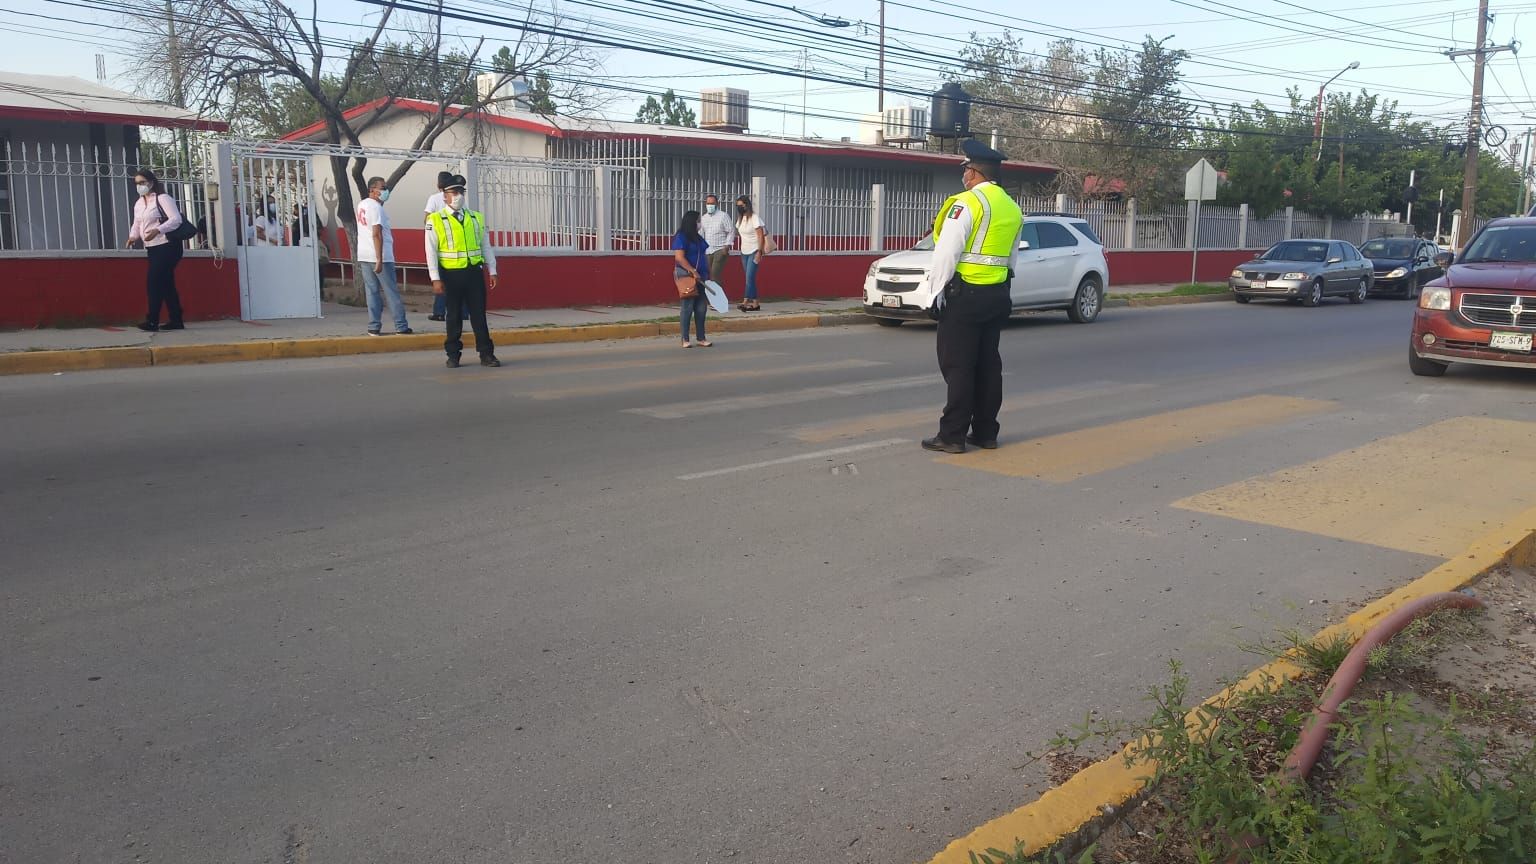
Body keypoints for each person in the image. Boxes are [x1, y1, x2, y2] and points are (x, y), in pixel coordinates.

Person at [921, 139, 1023, 454]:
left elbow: (947, 254)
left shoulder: (967, 203)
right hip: (997, 295)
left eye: (966, 168)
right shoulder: (1011, 206)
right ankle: (985, 433)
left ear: (974, 172)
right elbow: (1011, 257)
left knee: (958, 367)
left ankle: (952, 435)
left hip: (965, 296)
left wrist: (931, 295)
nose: (964, 174)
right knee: (988, 365)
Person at [425, 175, 500, 368]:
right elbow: (430, 251)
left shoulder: (476, 217)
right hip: (451, 274)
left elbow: (486, 246)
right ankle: (453, 354)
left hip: (474, 272)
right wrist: (435, 278)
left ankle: (486, 354)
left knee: (478, 315)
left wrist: (492, 269)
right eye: (453, 192)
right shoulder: (436, 219)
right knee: (453, 316)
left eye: (460, 192)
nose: (458, 196)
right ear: (445, 196)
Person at [125, 168, 185, 332]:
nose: (139, 186)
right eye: (137, 183)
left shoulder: (163, 198)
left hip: (167, 246)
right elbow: (137, 223)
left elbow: (176, 219)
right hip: (152, 247)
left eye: (142, 182)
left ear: (151, 183)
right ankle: (176, 319)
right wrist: (132, 237)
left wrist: (158, 230)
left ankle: (152, 321)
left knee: (154, 282)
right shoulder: (139, 203)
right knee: (166, 283)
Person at [356, 176, 412, 336]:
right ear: (372, 189)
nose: (385, 190)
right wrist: (379, 259)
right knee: (391, 291)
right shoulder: (376, 208)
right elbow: (376, 234)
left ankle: (374, 326)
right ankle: (401, 326)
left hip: (364, 254)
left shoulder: (362, 205)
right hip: (380, 256)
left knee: (372, 291)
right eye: (382, 187)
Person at [424, 170, 465, 322]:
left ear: (438, 184)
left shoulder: (434, 198)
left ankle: (439, 312)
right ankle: (464, 312)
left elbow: (427, 219)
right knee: (463, 284)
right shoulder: (459, 198)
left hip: (442, 248)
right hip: (459, 247)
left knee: (442, 281)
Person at [671, 210, 712, 348]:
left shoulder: (698, 238)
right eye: (698, 220)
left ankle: (701, 337)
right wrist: (692, 271)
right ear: (691, 222)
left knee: (701, 308)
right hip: (687, 276)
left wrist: (707, 272)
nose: (700, 223)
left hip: (701, 276)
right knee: (687, 307)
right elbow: (679, 257)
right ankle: (685, 338)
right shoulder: (681, 237)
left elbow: (704, 255)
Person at [734, 195, 768, 311]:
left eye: (741, 205)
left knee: (749, 277)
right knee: (750, 278)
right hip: (744, 251)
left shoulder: (754, 218)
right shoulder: (740, 219)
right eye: (737, 206)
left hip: (754, 250)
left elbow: (760, 236)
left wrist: (759, 252)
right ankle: (755, 302)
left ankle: (745, 300)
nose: (739, 207)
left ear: (746, 205)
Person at [699, 193, 736, 290]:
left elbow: (731, 231)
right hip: (708, 250)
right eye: (708, 203)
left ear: (717, 204)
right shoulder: (704, 217)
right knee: (707, 275)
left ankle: (718, 301)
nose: (710, 206)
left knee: (715, 274)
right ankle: (710, 299)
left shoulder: (723, 216)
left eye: (712, 203)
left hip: (720, 249)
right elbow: (702, 233)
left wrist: (727, 245)